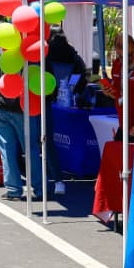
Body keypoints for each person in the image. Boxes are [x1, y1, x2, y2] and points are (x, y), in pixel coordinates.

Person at [0, 45, 41, 200]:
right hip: (23, 108)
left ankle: (14, 189)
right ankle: (40, 188)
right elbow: (36, 81)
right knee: (31, 148)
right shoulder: (26, 56)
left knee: (6, 150)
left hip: (0, 108)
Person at [44, 29, 89, 195]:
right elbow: (83, 75)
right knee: (48, 142)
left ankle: (47, 178)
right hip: (69, 97)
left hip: (48, 99)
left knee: (43, 140)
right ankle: (58, 179)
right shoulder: (72, 54)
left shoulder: (46, 54)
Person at [100, 33, 134, 138]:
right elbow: (118, 93)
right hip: (123, 124)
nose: (125, 60)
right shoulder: (117, 65)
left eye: (129, 55)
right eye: (120, 56)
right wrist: (108, 92)